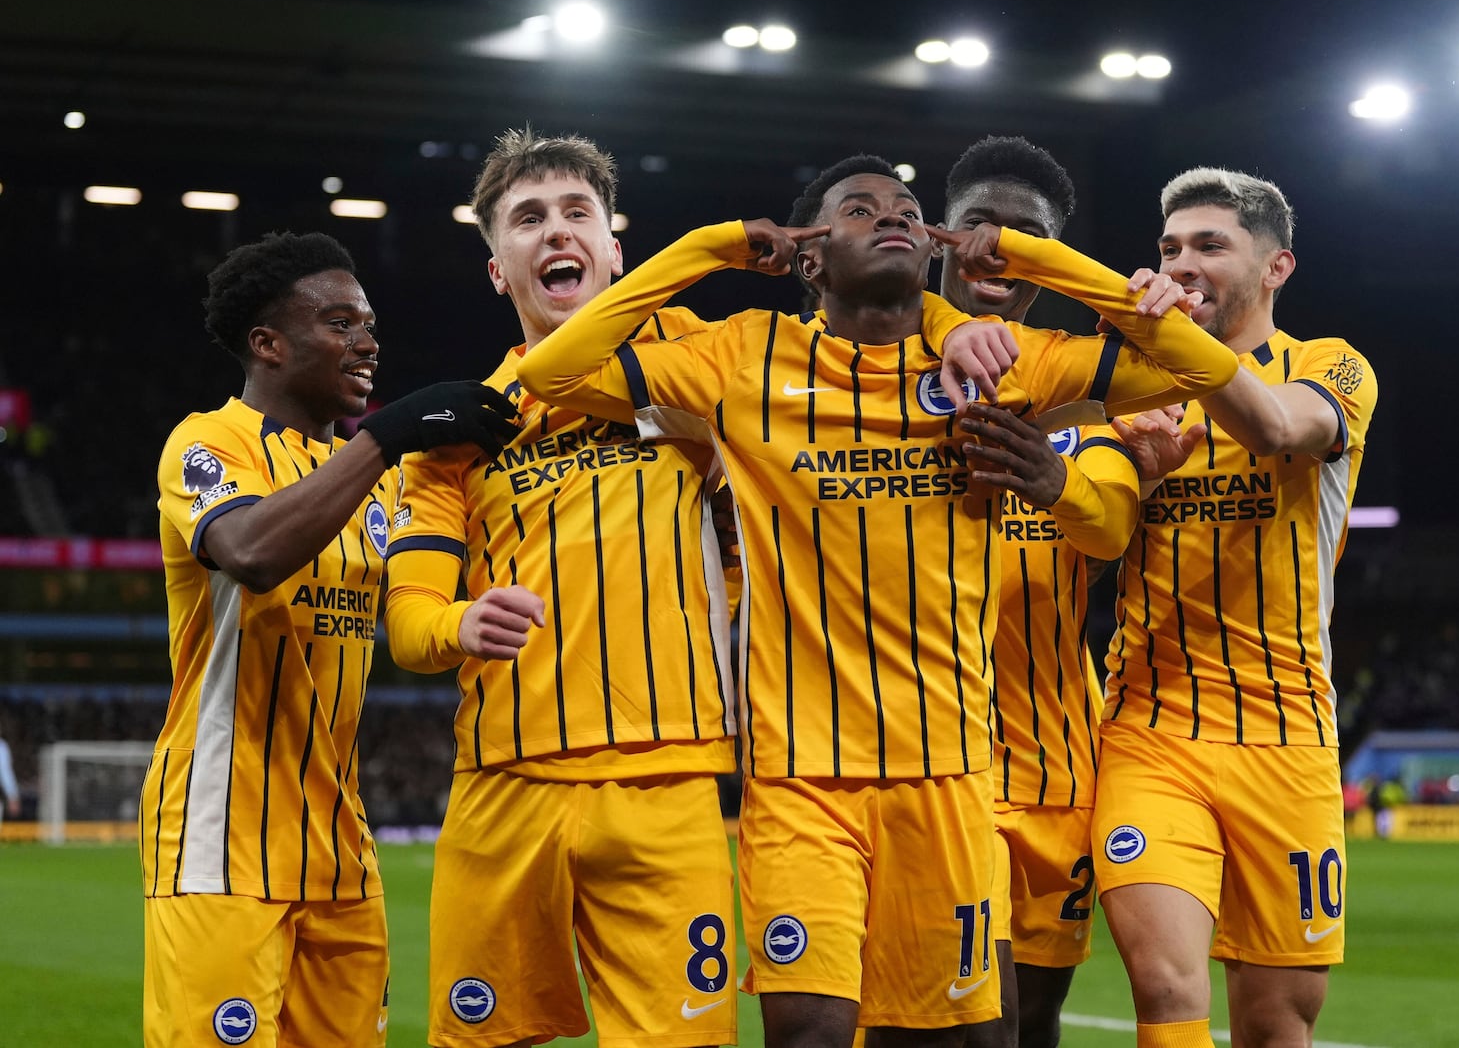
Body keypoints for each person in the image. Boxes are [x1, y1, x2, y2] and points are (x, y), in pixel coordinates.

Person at [517, 155, 1239, 1047]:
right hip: (800, 785)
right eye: (857, 209)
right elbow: (550, 369)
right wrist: (710, 249)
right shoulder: (742, 354)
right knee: (812, 1029)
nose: (891, 215)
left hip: (948, 777)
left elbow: (1200, 368)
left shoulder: (1000, 367)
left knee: (963, 1039)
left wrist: (1028, 256)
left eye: (905, 208)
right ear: (809, 257)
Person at [382, 129, 740, 1048]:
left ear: (616, 249)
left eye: (577, 213)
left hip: (668, 780)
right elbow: (410, 626)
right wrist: (462, 619)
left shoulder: (701, 368)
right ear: (499, 270)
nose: (555, 234)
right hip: (504, 791)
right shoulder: (458, 427)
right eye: (527, 220)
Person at [141, 231, 521, 1048]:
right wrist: (385, 435)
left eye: (370, 324)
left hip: (342, 851)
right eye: (341, 323)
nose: (368, 341)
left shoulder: (377, 483)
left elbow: (419, 613)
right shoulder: (208, 442)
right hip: (220, 843)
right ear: (268, 343)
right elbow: (251, 553)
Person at [1092, 168, 1379, 1048]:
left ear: (1276, 265)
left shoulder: (1330, 365)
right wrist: (1124, 475)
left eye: (1210, 245)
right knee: (1167, 984)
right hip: (1151, 734)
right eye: (1169, 248)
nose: (1182, 263)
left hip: (1288, 741)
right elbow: (1072, 545)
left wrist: (1173, 342)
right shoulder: (1127, 389)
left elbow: (1279, 430)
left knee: (1275, 1019)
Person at [935, 136, 1154, 1048]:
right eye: (980, 225)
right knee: (926, 1018)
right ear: (943, 236)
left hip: (1056, 776)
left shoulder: (1079, 394)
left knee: (1032, 1021)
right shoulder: (872, 373)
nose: (998, 248)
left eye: (1028, 236)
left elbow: (1109, 527)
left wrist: (1050, 481)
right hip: (934, 771)